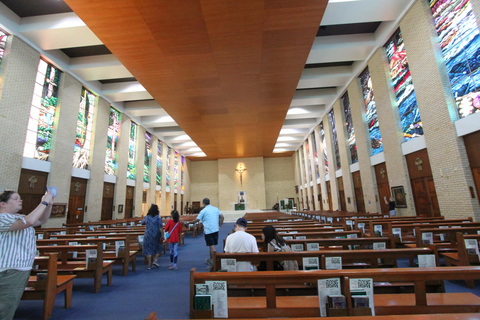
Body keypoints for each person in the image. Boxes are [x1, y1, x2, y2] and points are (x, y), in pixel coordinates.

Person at [0, 190, 54, 320]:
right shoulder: (2, 218)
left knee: (8, 305)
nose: (20, 200)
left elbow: (41, 220)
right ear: (2, 204)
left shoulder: (17, 217)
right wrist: (44, 202)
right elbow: (29, 221)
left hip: (18, 268)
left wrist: (49, 205)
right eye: (15, 199)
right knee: (5, 308)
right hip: (9, 269)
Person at [190, 198, 224, 268]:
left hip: (209, 231)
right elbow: (222, 217)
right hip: (215, 229)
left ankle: (215, 263)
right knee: (212, 246)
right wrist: (220, 225)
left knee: (212, 247)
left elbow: (197, 220)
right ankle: (210, 259)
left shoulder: (203, 211)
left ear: (203, 203)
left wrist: (188, 223)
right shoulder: (215, 209)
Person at [141, 204, 163, 269]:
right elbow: (160, 227)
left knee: (148, 249)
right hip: (156, 234)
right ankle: (155, 260)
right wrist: (162, 235)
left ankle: (149, 265)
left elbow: (142, 223)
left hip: (148, 234)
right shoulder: (158, 218)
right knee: (157, 247)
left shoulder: (147, 217)